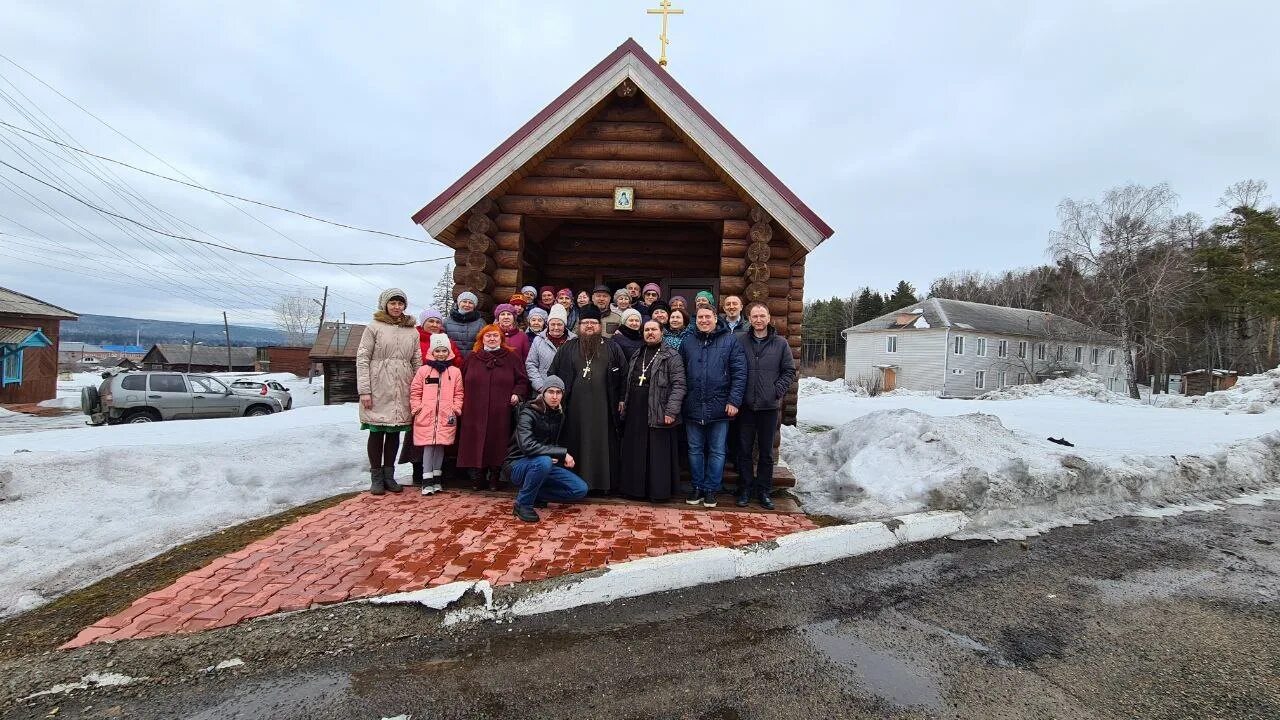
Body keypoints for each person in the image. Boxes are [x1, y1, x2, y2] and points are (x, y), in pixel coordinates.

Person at [548, 304, 626, 492]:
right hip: (573, 411)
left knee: (602, 446)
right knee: (575, 443)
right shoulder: (567, 348)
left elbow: (624, 375)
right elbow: (553, 375)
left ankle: (603, 486)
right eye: (585, 322)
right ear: (579, 325)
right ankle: (575, 484)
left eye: (593, 322)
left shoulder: (612, 347)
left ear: (599, 325)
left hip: (604, 410)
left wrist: (622, 398)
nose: (589, 326)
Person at [356, 288, 422, 495]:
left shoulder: (411, 330)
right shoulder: (374, 327)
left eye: (400, 303)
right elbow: (363, 358)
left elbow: (417, 360)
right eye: (393, 303)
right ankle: (376, 477)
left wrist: (417, 389)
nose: (396, 307)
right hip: (378, 385)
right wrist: (364, 391)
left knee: (394, 432)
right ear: (385, 304)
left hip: (402, 384)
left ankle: (389, 475)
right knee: (377, 431)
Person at [680, 306, 747, 508]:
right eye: (700, 317)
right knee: (695, 449)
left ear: (715, 319)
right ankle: (697, 487)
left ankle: (711, 490)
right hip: (692, 404)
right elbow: (679, 371)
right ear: (696, 320)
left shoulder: (729, 340)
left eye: (707, 317)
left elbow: (739, 373)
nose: (704, 320)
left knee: (717, 451)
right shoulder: (688, 340)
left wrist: (734, 401)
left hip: (720, 406)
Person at [734, 302, 797, 509]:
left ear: (769, 318)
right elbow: (733, 368)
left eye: (762, 316)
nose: (758, 320)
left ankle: (763, 491)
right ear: (749, 319)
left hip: (769, 408)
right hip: (745, 407)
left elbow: (789, 371)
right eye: (755, 316)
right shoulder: (740, 341)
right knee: (743, 450)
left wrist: (775, 391)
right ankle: (745, 489)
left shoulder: (780, 344)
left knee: (766, 453)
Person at [504, 376, 588, 522]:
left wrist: (557, 457)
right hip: (517, 464)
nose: (554, 396)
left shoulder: (559, 414)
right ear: (543, 393)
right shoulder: (528, 412)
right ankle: (523, 504)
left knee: (579, 489)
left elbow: (551, 444)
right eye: (550, 392)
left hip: (544, 463)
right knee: (544, 462)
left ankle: (535, 494)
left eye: (558, 392)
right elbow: (527, 445)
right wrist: (562, 453)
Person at [618, 320, 685, 502]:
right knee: (636, 451)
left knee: (657, 453)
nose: (650, 333)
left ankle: (658, 492)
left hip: (659, 409)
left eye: (654, 329)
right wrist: (624, 401)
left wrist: (671, 411)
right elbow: (629, 380)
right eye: (646, 330)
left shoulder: (671, 355)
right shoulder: (637, 354)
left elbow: (679, 385)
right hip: (635, 411)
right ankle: (634, 490)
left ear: (662, 332)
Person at [458, 324, 529, 491]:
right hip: (474, 409)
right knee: (475, 441)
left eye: (495, 336)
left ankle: (495, 476)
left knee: (498, 442)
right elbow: (459, 380)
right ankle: (478, 475)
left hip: (500, 409)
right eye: (487, 336)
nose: (491, 339)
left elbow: (522, 380)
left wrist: (517, 394)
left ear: (501, 339)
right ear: (482, 339)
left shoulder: (511, 357)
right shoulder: (472, 358)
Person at [408, 334, 465, 496]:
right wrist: (417, 408)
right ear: (432, 351)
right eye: (438, 351)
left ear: (449, 352)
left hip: (446, 415)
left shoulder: (454, 372)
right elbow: (415, 391)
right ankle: (427, 480)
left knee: (440, 445)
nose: (441, 354)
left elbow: (459, 393)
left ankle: (437, 477)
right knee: (428, 445)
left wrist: (456, 408)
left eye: (444, 351)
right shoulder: (424, 370)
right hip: (426, 415)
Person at [527, 304, 575, 393]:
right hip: (543, 390)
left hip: (569, 390)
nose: (556, 328)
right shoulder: (538, 340)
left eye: (559, 324)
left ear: (564, 325)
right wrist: (540, 387)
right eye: (553, 324)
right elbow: (531, 364)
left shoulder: (574, 340)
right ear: (548, 324)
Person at [445, 291, 485, 358]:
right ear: (458, 303)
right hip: (452, 361)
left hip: (473, 361)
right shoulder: (446, 322)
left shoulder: (481, 323)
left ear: (474, 306)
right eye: (464, 301)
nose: (467, 305)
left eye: (470, 303)